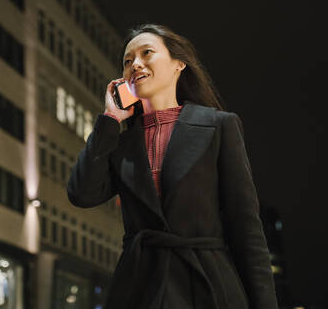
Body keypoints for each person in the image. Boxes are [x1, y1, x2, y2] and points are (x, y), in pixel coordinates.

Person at [66, 23, 278, 309]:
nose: (135, 65)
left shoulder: (218, 126)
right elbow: (81, 194)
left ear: (179, 64)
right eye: (127, 61)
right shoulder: (121, 143)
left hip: (207, 286)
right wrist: (110, 120)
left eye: (147, 53)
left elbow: (246, 228)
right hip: (140, 287)